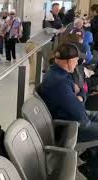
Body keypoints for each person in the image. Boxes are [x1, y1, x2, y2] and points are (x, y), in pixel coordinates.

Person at [38, 43, 98, 179]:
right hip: (73, 126)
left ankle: (90, 157)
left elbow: (79, 98)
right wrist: (82, 95)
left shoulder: (56, 73)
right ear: (69, 61)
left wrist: (79, 96)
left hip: (77, 118)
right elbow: (78, 110)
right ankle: (92, 170)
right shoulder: (60, 82)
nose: (77, 64)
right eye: (76, 61)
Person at [42, 3, 65, 73]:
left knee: (52, 55)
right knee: (47, 56)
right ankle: (47, 71)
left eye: (58, 9)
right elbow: (48, 29)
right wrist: (59, 30)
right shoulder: (48, 16)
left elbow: (59, 25)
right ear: (52, 8)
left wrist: (61, 28)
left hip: (55, 39)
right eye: (56, 8)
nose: (57, 10)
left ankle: (48, 70)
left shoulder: (57, 17)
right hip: (48, 40)